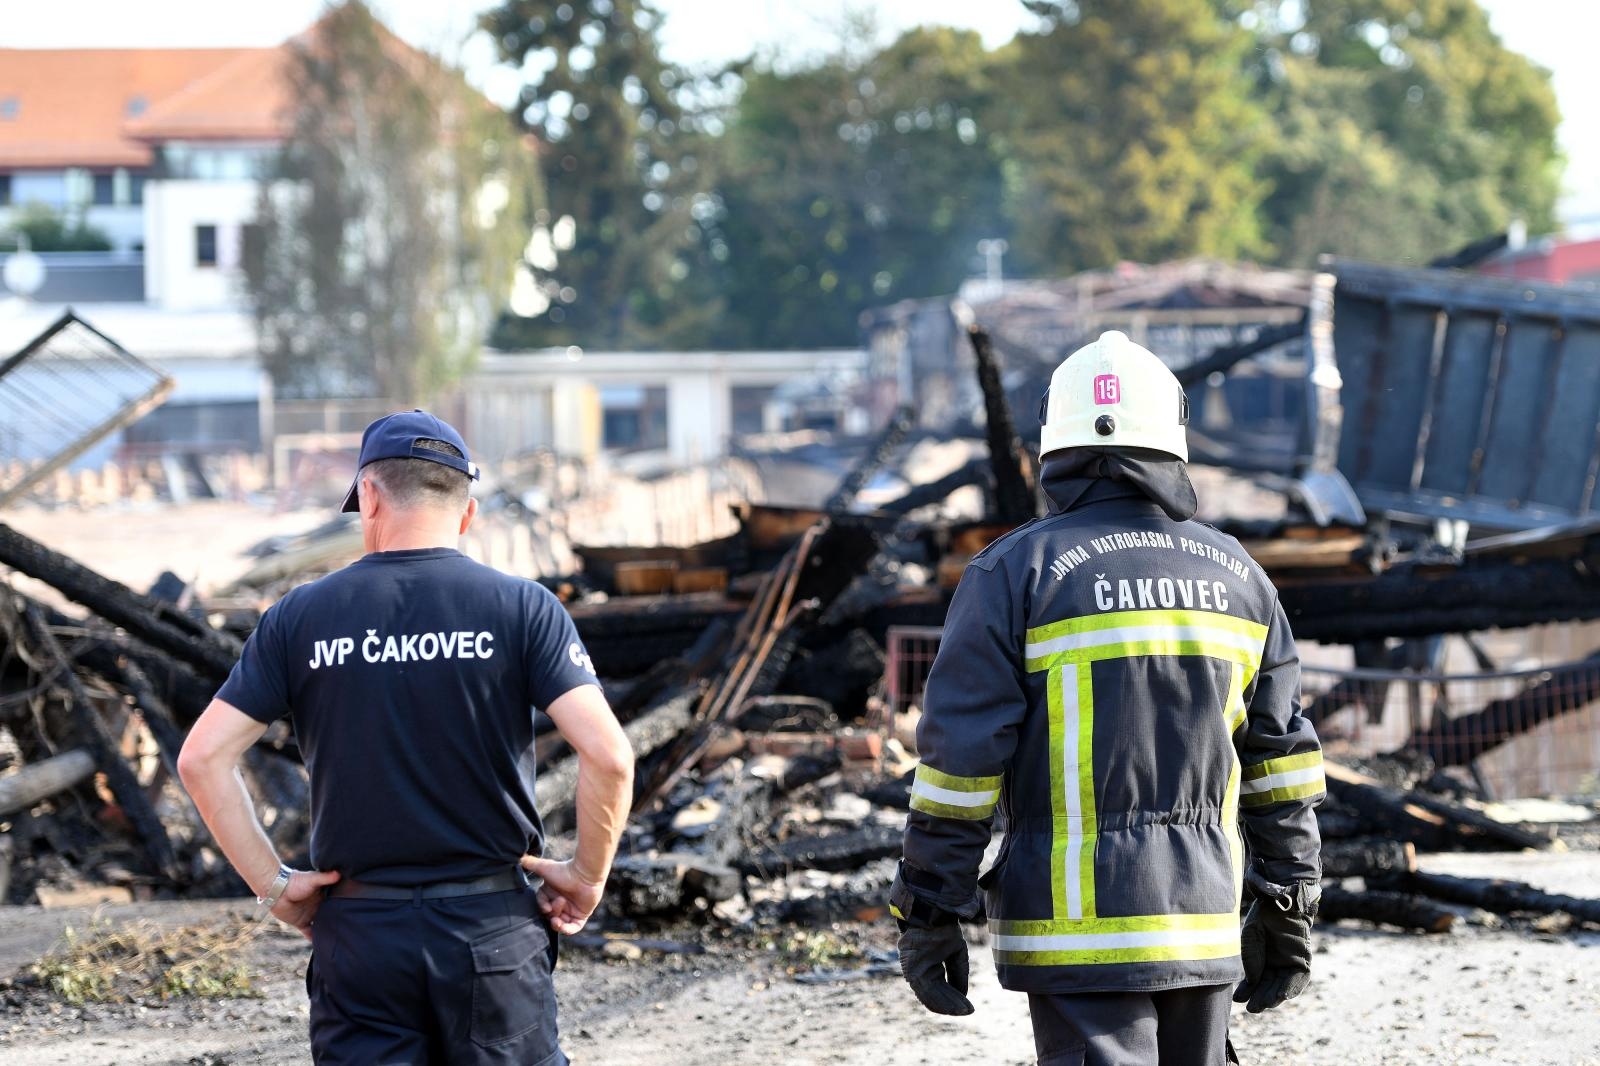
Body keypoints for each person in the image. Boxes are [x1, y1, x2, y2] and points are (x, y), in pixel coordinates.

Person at [890, 332, 1324, 1066]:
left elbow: (960, 767)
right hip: (1202, 922)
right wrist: (1289, 898)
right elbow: (1280, 763)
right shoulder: (1240, 576)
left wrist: (930, 903)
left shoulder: (1013, 574)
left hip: (1073, 934)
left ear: (1054, 445)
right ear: (1170, 439)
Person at [179, 409, 633, 1066]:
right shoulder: (523, 608)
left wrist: (274, 885)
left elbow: (202, 759)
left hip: (362, 936)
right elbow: (610, 757)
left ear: (369, 496)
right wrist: (585, 876)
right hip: (492, 932)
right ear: (467, 512)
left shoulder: (299, 618)